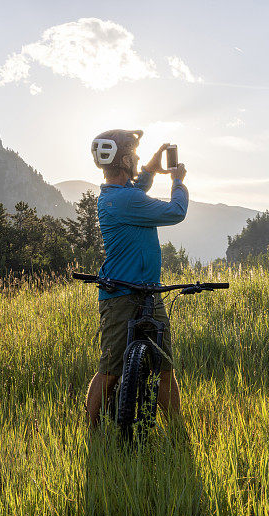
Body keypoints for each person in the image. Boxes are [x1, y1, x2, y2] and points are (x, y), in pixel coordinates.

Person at [84, 129, 188, 430]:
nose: (139, 158)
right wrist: (178, 180)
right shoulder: (126, 199)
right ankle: (176, 430)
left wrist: (149, 171)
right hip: (124, 297)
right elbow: (176, 211)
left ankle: (92, 430)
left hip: (138, 292)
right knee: (153, 368)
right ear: (126, 159)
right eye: (135, 155)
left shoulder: (115, 195)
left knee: (113, 367)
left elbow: (135, 189)